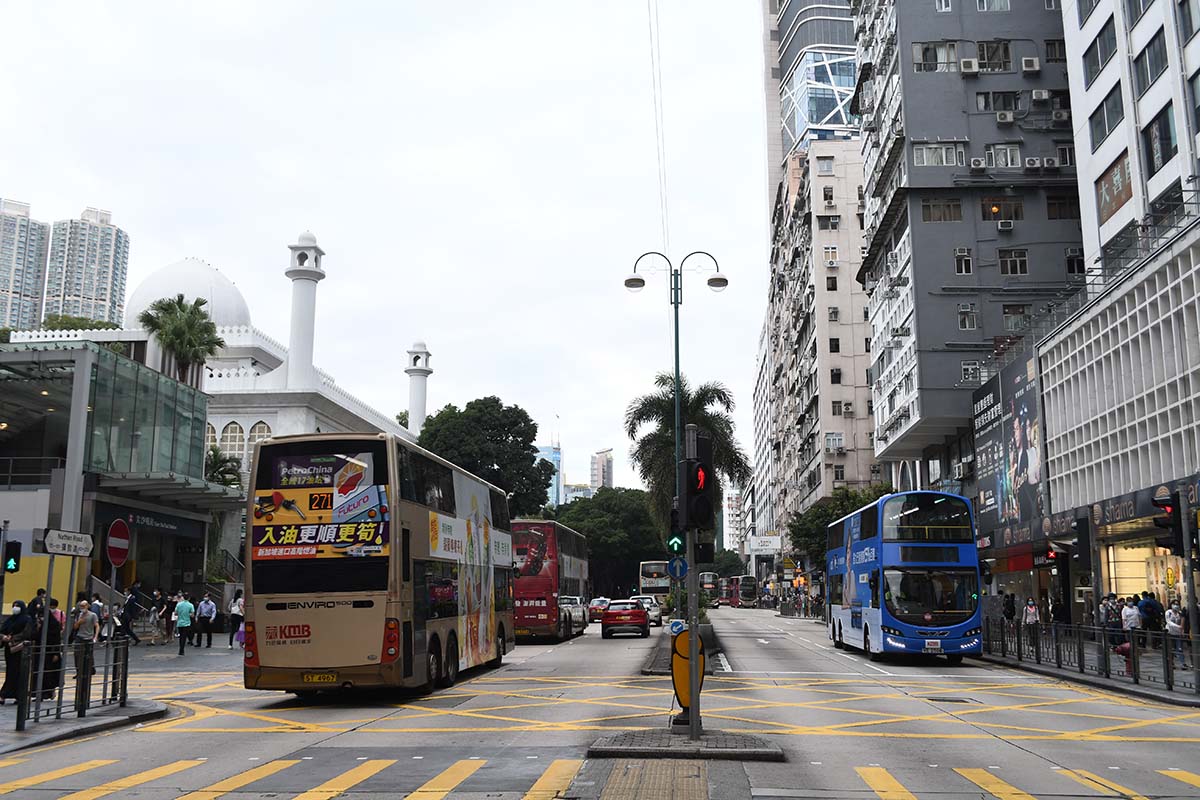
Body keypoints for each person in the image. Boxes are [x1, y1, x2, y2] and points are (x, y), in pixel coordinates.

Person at [0, 601, 32, 705]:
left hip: (20, 649)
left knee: (19, 672)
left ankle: (15, 694)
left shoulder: (27, 619)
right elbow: (2, 630)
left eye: (17, 606)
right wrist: (3, 637)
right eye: (14, 606)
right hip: (9, 649)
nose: (15, 608)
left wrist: (13, 638)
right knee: (10, 671)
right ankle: (9, 694)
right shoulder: (10, 619)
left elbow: (27, 633)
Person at [37, 606, 63, 701]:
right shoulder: (41, 625)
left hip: (51, 652)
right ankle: (41, 693)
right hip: (40, 652)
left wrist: (56, 653)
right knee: (41, 672)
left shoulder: (54, 624)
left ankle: (49, 691)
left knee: (49, 673)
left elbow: (57, 640)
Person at [72, 600, 98, 678]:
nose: (82, 608)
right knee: (77, 655)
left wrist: (95, 637)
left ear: (87, 606)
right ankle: (79, 672)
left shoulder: (93, 615)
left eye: (83, 606)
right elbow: (75, 627)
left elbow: (97, 625)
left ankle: (89, 670)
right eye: (81, 606)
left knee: (88, 655)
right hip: (80, 637)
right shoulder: (79, 615)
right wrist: (79, 622)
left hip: (89, 637)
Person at [1166, 600, 1187, 669]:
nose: (1176, 605)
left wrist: (1182, 631)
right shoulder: (1168, 612)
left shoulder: (1179, 613)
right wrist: (1178, 626)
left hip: (1178, 633)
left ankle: (1183, 663)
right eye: (1174, 604)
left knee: (1180, 648)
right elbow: (1169, 622)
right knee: (1171, 648)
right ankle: (1171, 663)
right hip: (1170, 633)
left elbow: (1182, 623)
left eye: (1177, 604)